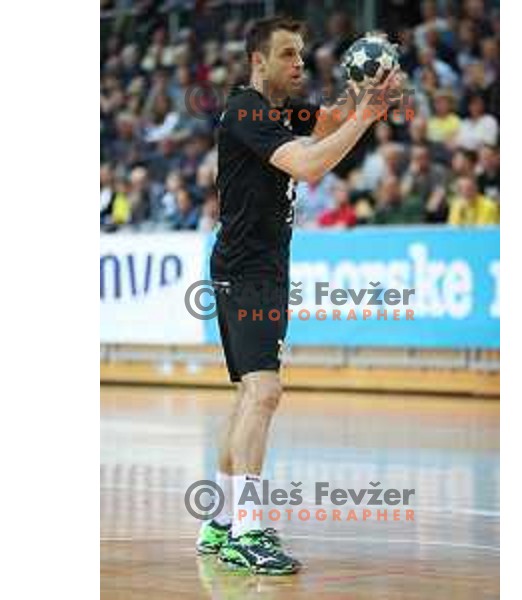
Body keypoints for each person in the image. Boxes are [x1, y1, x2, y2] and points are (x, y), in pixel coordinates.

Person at [196, 15, 403, 575]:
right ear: (257, 61)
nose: (298, 64)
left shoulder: (280, 109)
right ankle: (247, 530)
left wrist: (361, 95)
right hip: (247, 271)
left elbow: (327, 120)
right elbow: (310, 163)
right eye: (287, 55)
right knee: (264, 392)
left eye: (301, 54)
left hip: (256, 266)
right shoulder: (247, 111)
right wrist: (368, 115)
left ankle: (220, 521)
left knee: (247, 395)